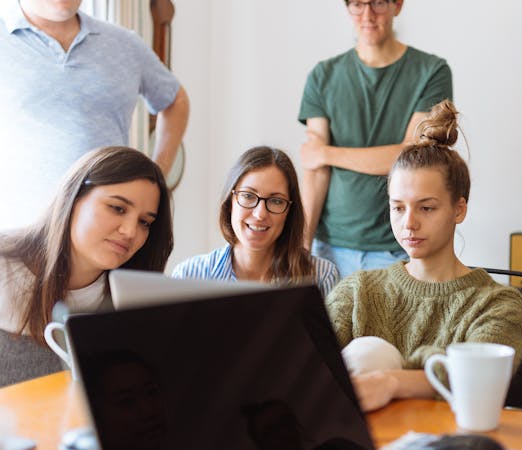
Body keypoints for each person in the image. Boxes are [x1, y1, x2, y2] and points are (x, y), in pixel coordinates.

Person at [325, 100, 522, 413]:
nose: (409, 223)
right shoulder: (356, 292)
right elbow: (307, 370)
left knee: (373, 353)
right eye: (398, 207)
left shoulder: (499, 305)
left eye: (426, 207)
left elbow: (478, 381)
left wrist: (390, 381)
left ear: (458, 209)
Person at [0, 0, 190, 231]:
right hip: (17, 233)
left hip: (111, 234)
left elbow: (175, 100)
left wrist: (156, 176)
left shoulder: (124, 44)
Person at [298, 0, 453, 278]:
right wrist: (302, 245)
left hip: (398, 247)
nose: (367, 15)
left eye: (378, 3)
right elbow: (315, 168)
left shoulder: (432, 71)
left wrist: (327, 152)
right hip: (329, 248)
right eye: (357, 4)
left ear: (397, 5)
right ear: (347, 8)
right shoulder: (322, 76)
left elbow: (411, 157)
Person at [0, 146, 173, 387]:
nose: (130, 231)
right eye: (117, 208)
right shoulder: (4, 264)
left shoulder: (132, 299)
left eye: (144, 222)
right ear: (73, 197)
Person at [172, 147, 339, 297]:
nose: (260, 214)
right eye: (248, 196)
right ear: (231, 202)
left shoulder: (321, 276)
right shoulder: (188, 276)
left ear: (289, 211)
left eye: (276, 201)